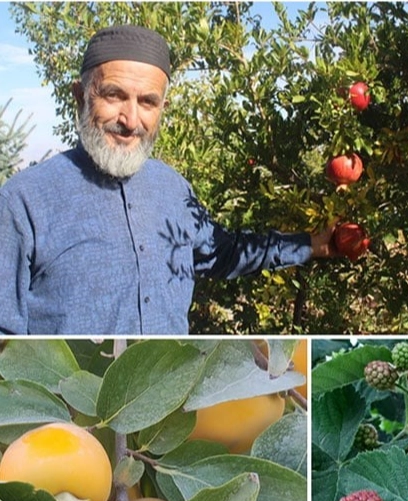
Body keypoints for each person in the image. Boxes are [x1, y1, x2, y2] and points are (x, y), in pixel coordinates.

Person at [0, 25, 340, 335]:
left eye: (147, 102)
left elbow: (222, 253)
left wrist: (312, 245)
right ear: (80, 96)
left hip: (175, 397)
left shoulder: (174, 189)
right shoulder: (24, 201)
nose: (130, 120)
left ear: (162, 107)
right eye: (114, 95)